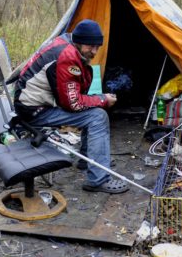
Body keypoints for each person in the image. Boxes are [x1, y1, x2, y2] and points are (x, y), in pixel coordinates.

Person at [14, 19, 129, 194]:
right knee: (98, 115)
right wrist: (102, 100)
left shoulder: (67, 41)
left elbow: (72, 96)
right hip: (34, 110)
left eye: (97, 47)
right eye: (91, 47)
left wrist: (97, 99)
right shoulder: (67, 56)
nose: (95, 51)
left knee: (93, 110)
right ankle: (98, 179)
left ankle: (89, 160)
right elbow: (72, 104)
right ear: (80, 41)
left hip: (32, 102)